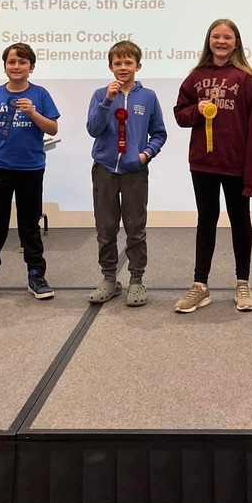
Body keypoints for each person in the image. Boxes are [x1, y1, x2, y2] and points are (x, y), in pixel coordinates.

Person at [173, 19, 252, 314]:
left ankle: (243, 282)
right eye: (216, 36)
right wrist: (196, 111)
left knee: (241, 220)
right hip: (202, 162)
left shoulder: (247, 78)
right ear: (208, 41)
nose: (221, 41)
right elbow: (180, 115)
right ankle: (200, 286)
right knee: (206, 219)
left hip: (235, 164)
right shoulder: (195, 76)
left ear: (236, 42)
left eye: (227, 37)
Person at [0, 42, 60, 304]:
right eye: (11, 62)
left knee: (30, 225)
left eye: (22, 62)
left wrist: (33, 112)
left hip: (31, 169)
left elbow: (52, 129)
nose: (16, 66)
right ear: (5, 66)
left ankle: (36, 275)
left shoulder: (40, 94)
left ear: (31, 67)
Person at [86, 40, 167, 307]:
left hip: (135, 172)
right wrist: (108, 101)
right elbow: (93, 129)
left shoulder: (148, 96)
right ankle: (109, 278)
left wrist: (145, 154)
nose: (123, 67)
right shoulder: (100, 95)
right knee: (106, 228)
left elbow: (159, 133)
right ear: (110, 67)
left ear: (138, 66)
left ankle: (136, 280)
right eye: (118, 63)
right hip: (105, 171)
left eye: (128, 62)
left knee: (135, 228)